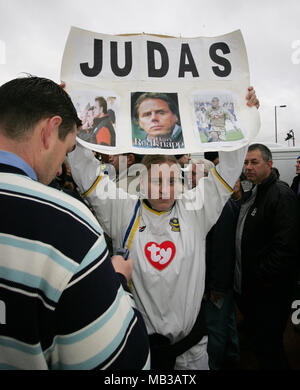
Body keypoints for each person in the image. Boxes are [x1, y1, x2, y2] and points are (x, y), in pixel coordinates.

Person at [68, 87, 259, 369]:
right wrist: (75, 118)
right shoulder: (122, 209)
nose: (164, 189)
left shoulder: (195, 209)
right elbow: (85, 174)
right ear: (142, 182)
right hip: (139, 349)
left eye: (171, 181)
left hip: (191, 349)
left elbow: (230, 168)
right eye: (156, 181)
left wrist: (244, 115)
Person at [0, 76, 150, 370]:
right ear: (49, 131)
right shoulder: (64, 220)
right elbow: (122, 364)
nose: (62, 166)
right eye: (68, 150)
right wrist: (117, 281)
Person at [234, 143, 299, 369]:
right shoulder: (253, 192)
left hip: (269, 293)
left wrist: (259, 276)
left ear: (269, 164)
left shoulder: (281, 195)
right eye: (245, 162)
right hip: (253, 291)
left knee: (271, 349)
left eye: (254, 162)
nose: (248, 167)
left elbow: (286, 248)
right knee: (261, 346)